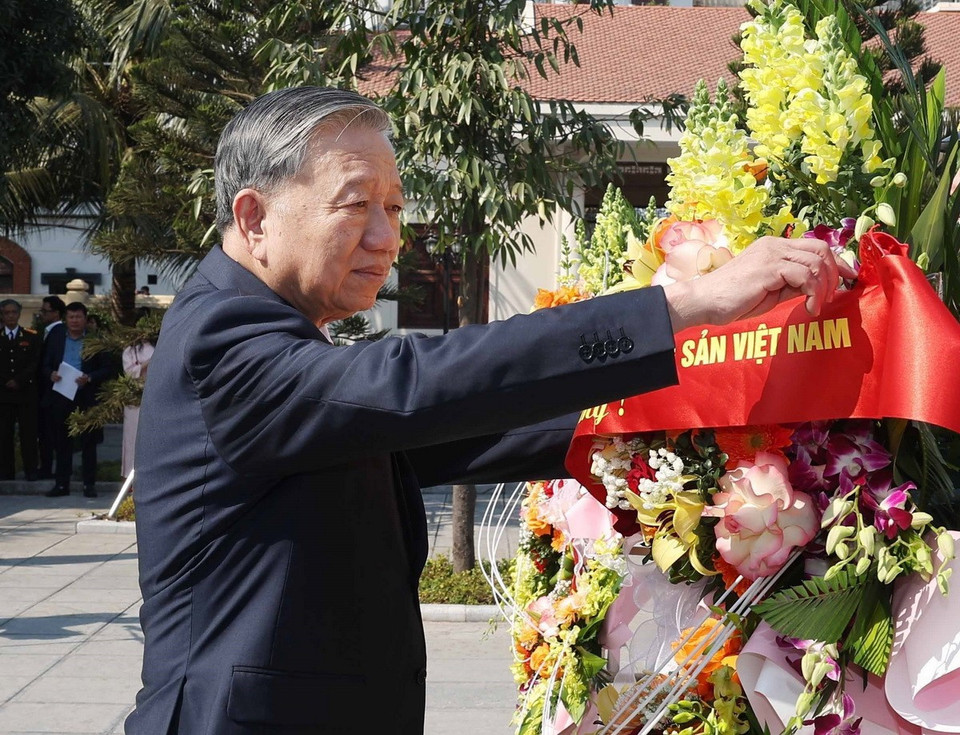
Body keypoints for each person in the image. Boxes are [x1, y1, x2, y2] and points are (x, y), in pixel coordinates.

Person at [126, 87, 850, 734]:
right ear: (253, 216)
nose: (388, 238)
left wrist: (679, 428)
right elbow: (415, 383)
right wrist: (683, 305)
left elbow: (457, 434)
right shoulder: (220, 340)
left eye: (395, 207)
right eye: (356, 205)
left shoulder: (279, 341)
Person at [41, 301, 115, 498]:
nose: (74, 321)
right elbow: (44, 362)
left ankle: (88, 484)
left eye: (78, 317)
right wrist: (51, 374)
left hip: (86, 394)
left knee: (88, 443)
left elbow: (108, 368)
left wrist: (90, 377)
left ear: (85, 319)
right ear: (66, 319)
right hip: (61, 394)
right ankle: (61, 484)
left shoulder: (95, 339)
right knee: (62, 441)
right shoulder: (56, 336)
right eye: (71, 317)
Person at [0, 299, 41, 481]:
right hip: (3, 393)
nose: (10, 316)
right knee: (4, 434)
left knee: (28, 434)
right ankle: (6, 472)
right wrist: (6, 381)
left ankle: (31, 470)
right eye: (6, 313)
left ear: (19, 314)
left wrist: (18, 380)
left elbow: (35, 363)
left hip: (25, 393)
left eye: (13, 312)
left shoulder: (30, 336)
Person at [36, 296, 66, 480]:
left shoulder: (59, 332)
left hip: (54, 390)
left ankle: (49, 468)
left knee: (51, 434)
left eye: (46, 311)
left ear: (56, 313)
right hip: (46, 389)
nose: (42, 314)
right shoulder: (48, 331)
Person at [120, 339, 154, 478]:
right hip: (134, 399)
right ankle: (130, 475)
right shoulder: (129, 350)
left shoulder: (154, 346)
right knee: (132, 437)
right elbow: (129, 373)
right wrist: (146, 364)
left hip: (152, 395)